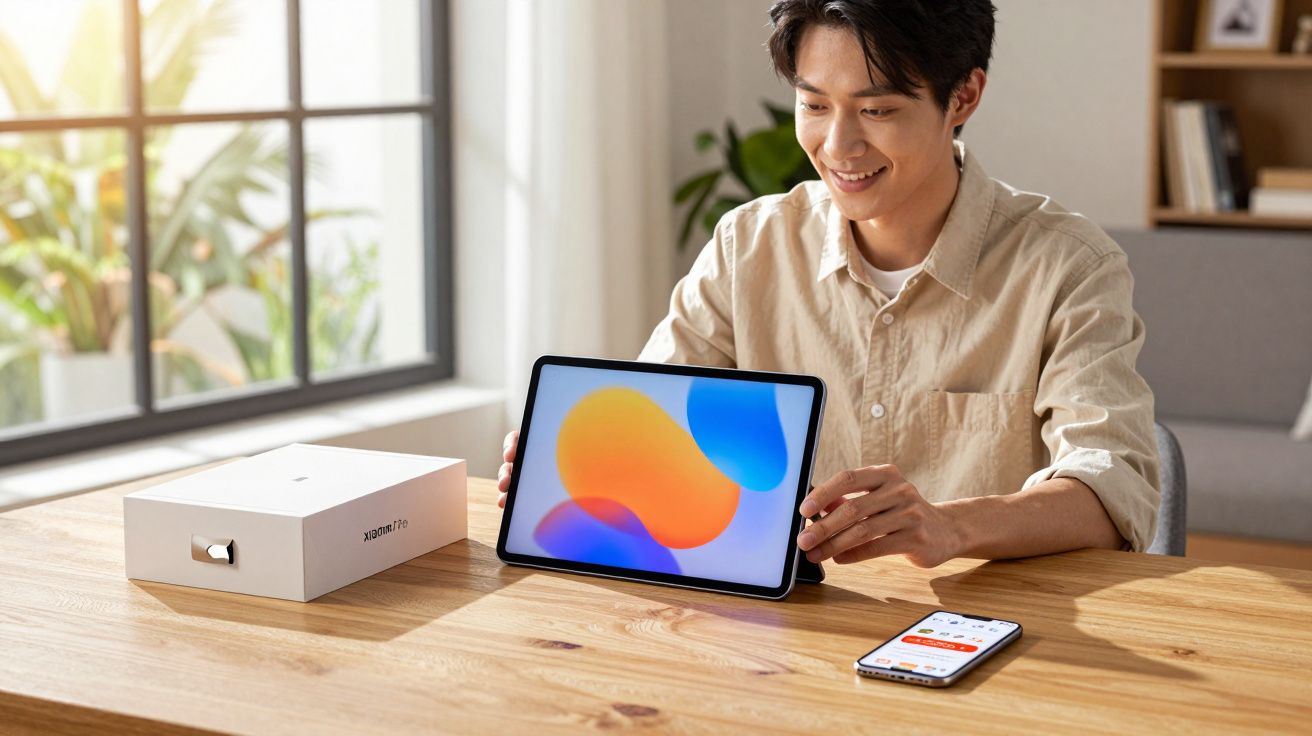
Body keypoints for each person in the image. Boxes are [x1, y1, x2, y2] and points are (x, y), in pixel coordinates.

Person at [498, 0, 1160, 568]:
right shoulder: (749, 245)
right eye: (814, 104)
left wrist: (953, 526)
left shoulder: (1067, 265)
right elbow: (656, 424)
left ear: (963, 97)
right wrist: (570, 473)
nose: (838, 146)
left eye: (875, 111)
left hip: (985, 633)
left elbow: (1111, 489)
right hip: (782, 633)